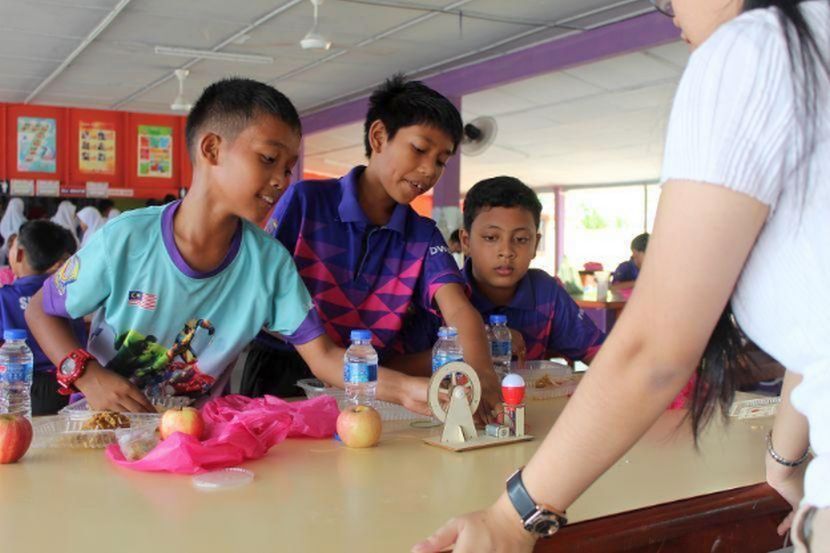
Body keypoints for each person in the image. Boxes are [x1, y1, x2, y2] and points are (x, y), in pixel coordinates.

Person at [412, 1, 830, 551]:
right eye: (490, 238)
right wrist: (784, 462)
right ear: (465, 241)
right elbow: (815, 335)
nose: (666, 6)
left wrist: (513, 518)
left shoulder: (757, 48)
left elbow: (651, 352)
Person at [25, 78, 430, 415]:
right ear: (212, 149)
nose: (282, 180)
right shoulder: (126, 238)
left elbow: (324, 357)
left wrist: (409, 390)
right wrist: (86, 374)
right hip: (101, 428)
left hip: (195, 442)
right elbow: (41, 309)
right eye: (268, 158)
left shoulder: (269, 264)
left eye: (289, 168)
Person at [240, 74, 500, 415]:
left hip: (369, 381)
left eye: (441, 161)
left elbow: (458, 310)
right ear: (378, 136)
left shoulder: (422, 236)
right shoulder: (306, 201)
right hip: (283, 368)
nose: (429, 170)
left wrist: (483, 374)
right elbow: (262, 286)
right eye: (419, 149)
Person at [459, 176, 605, 363]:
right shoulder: (445, 293)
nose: (506, 251)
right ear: (466, 242)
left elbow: (601, 354)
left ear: (535, 244)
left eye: (521, 239)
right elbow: (419, 365)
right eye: (491, 237)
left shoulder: (546, 293)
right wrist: (479, 341)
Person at [0, 221, 87, 415]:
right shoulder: (68, 295)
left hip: (23, 392)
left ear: (19, 254)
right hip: (74, 386)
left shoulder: (3, 297)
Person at [0, 198, 27, 263]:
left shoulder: (3, 223)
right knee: (18, 264)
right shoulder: (24, 222)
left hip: (4, 255)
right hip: (20, 253)